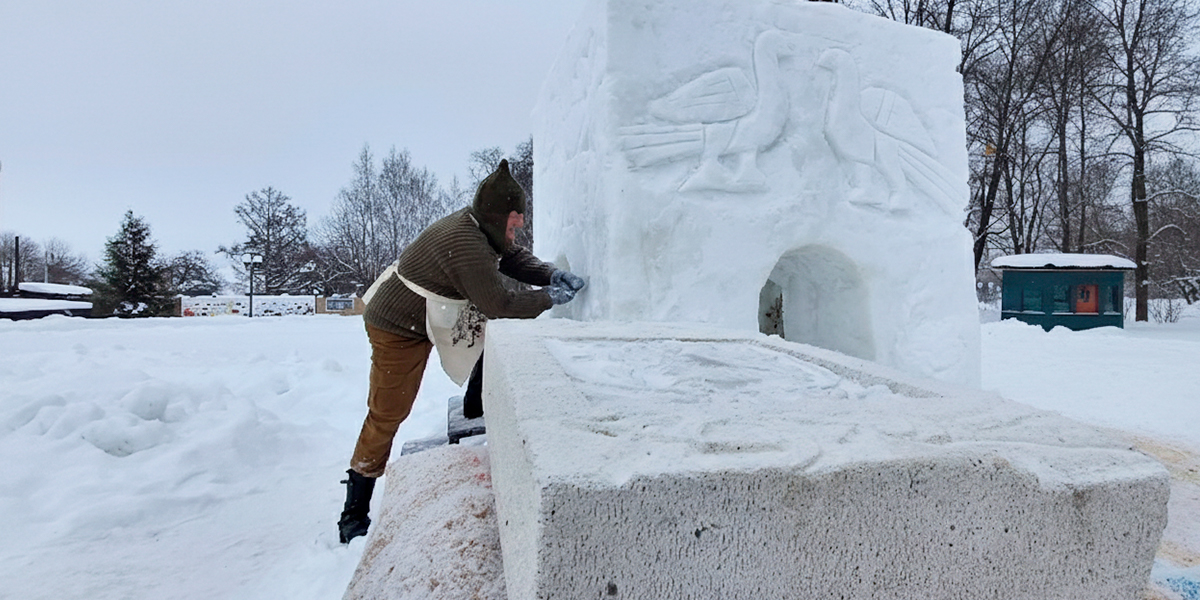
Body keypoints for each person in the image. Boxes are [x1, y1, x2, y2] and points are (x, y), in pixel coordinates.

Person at [338, 159, 586, 543]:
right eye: (514, 221)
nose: (518, 227)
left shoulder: (483, 230)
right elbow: (499, 304)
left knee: (489, 335)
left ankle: (476, 404)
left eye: (521, 219)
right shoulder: (466, 243)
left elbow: (512, 258)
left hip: (434, 308)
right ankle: (354, 509)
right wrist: (548, 298)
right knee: (389, 412)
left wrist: (549, 273)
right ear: (494, 216)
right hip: (397, 326)